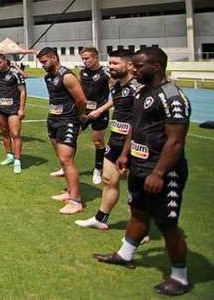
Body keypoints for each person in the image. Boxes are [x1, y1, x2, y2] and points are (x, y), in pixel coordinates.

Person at [94, 48, 192, 296]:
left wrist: (159, 173)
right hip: (138, 166)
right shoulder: (141, 91)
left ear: (156, 67)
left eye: (138, 67)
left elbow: (175, 142)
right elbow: (135, 127)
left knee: (167, 224)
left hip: (163, 171)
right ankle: (125, 255)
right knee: (138, 213)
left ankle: (180, 277)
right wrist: (126, 153)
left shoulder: (172, 97)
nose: (134, 70)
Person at [77, 49, 140, 231]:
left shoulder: (138, 88)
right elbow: (116, 100)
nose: (111, 67)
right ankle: (100, 218)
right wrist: (101, 109)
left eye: (115, 63)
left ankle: (139, 229)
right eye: (110, 63)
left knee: (134, 189)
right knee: (108, 179)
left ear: (128, 65)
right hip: (115, 140)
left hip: (133, 145)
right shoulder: (118, 86)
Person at [38, 47, 87, 215]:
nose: (42, 65)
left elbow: (81, 100)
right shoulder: (48, 77)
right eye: (41, 62)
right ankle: (69, 191)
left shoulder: (67, 76)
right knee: (61, 158)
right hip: (53, 120)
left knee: (67, 160)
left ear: (54, 58)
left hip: (67, 121)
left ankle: (76, 201)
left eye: (44, 61)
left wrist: (77, 119)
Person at [80, 47, 112, 185]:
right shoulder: (83, 72)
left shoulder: (107, 74)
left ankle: (98, 170)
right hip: (84, 112)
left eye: (87, 58)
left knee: (98, 142)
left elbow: (116, 97)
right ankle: (66, 167)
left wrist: (99, 111)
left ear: (96, 57)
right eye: (83, 58)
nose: (84, 61)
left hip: (100, 112)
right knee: (70, 136)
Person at [0, 54, 26, 174]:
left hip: (13, 109)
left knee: (15, 134)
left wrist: (21, 108)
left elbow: (23, 92)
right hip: (0, 108)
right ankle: (9, 156)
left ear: (6, 61)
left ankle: (17, 160)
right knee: (4, 133)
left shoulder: (16, 74)